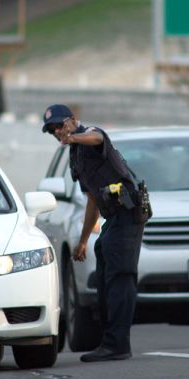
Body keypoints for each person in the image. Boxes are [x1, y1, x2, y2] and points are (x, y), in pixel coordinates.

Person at [42, 103, 144, 362]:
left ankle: (118, 345)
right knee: (104, 271)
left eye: (60, 125)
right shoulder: (75, 156)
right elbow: (92, 201)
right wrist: (85, 240)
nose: (57, 132)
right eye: (53, 130)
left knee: (120, 276)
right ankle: (109, 341)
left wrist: (73, 136)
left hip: (128, 214)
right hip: (113, 218)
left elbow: (98, 137)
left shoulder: (90, 136)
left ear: (73, 120)